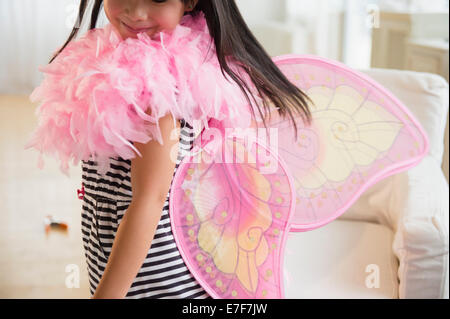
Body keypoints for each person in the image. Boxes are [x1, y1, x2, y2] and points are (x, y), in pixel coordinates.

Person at [25, 0, 312, 299]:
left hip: (155, 276)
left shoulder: (157, 87)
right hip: (119, 253)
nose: (136, 12)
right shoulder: (119, 61)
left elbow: (149, 200)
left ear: (189, 2)